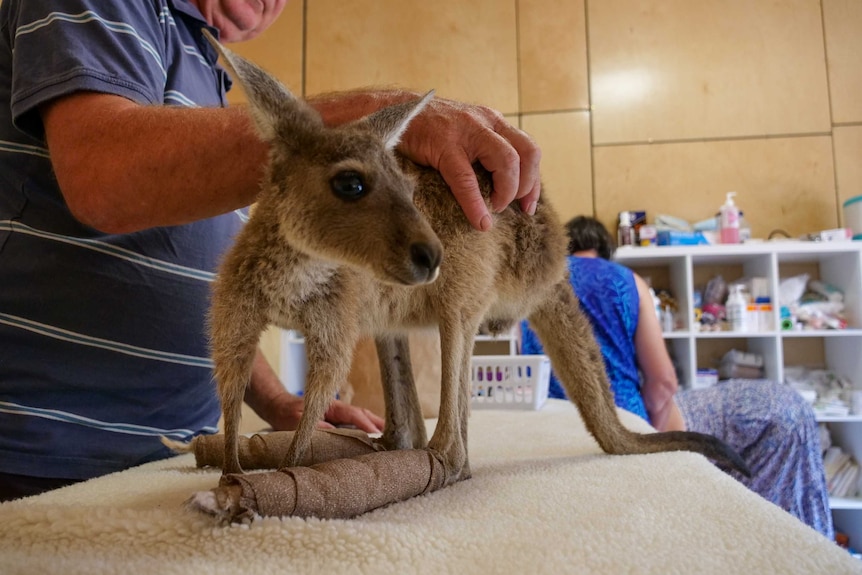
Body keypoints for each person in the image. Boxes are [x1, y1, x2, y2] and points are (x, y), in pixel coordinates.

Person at [0, 0, 542, 500]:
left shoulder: (206, 74)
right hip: (41, 445)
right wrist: (367, 119)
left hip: (170, 447)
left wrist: (276, 400)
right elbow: (104, 174)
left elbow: (210, 285)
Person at [520, 216, 834, 540]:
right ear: (604, 248)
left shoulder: (534, 284)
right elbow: (664, 381)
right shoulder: (627, 282)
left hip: (550, 434)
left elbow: (527, 369)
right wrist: (653, 428)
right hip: (622, 424)